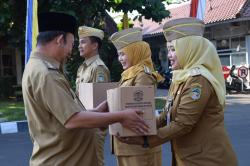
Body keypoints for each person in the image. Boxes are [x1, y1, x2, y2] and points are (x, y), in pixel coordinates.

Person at [22, 12, 148, 166]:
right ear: (60, 40)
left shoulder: (41, 67)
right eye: (72, 43)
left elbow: (63, 114)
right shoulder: (46, 72)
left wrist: (97, 111)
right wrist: (121, 116)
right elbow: (72, 120)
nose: (72, 50)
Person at [118, 18, 238, 166]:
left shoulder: (198, 80)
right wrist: (140, 127)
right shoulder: (181, 77)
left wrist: (145, 140)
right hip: (187, 158)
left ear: (189, 49)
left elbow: (183, 123)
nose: (169, 55)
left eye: (173, 49)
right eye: (168, 49)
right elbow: (165, 117)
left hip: (208, 159)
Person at [110, 28, 164, 166]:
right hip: (127, 145)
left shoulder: (143, 75)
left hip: (139, 146)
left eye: (123, 54)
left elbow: (139, 109)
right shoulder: (129, 74)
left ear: (135, 52)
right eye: (119, 54)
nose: (120, 59)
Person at [76, 26, 110, 166]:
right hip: (83, 122)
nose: (79, 46)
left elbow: (101, 102)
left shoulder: (99, 68)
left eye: (83, 42)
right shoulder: (82, 67)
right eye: (79, 42)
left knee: (95, 162)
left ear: (95, 45)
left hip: (94, 127)